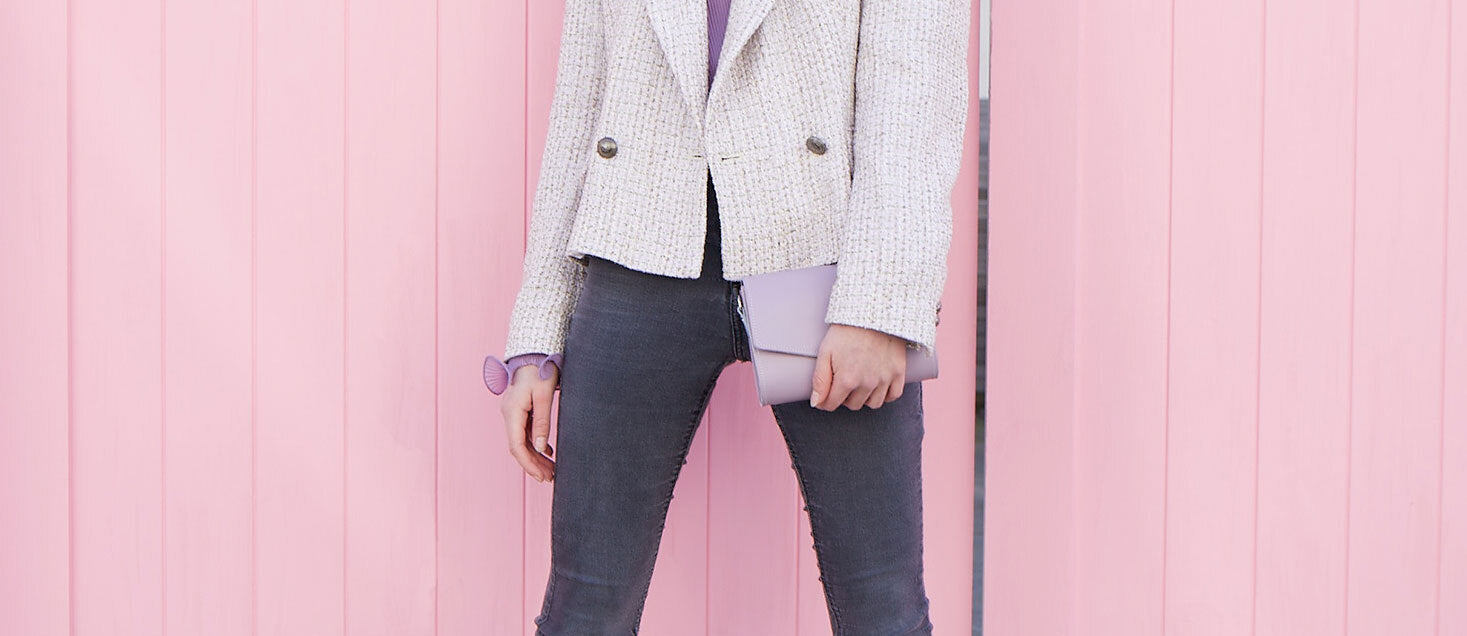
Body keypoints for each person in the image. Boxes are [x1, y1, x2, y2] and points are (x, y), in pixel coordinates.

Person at [484, 0, 969, 632]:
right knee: (585, 609)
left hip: (826, 262)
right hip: (637, 246)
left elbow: (916, 84)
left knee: (884, 609)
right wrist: (537, 339)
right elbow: (583, 98)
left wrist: (879, 305)